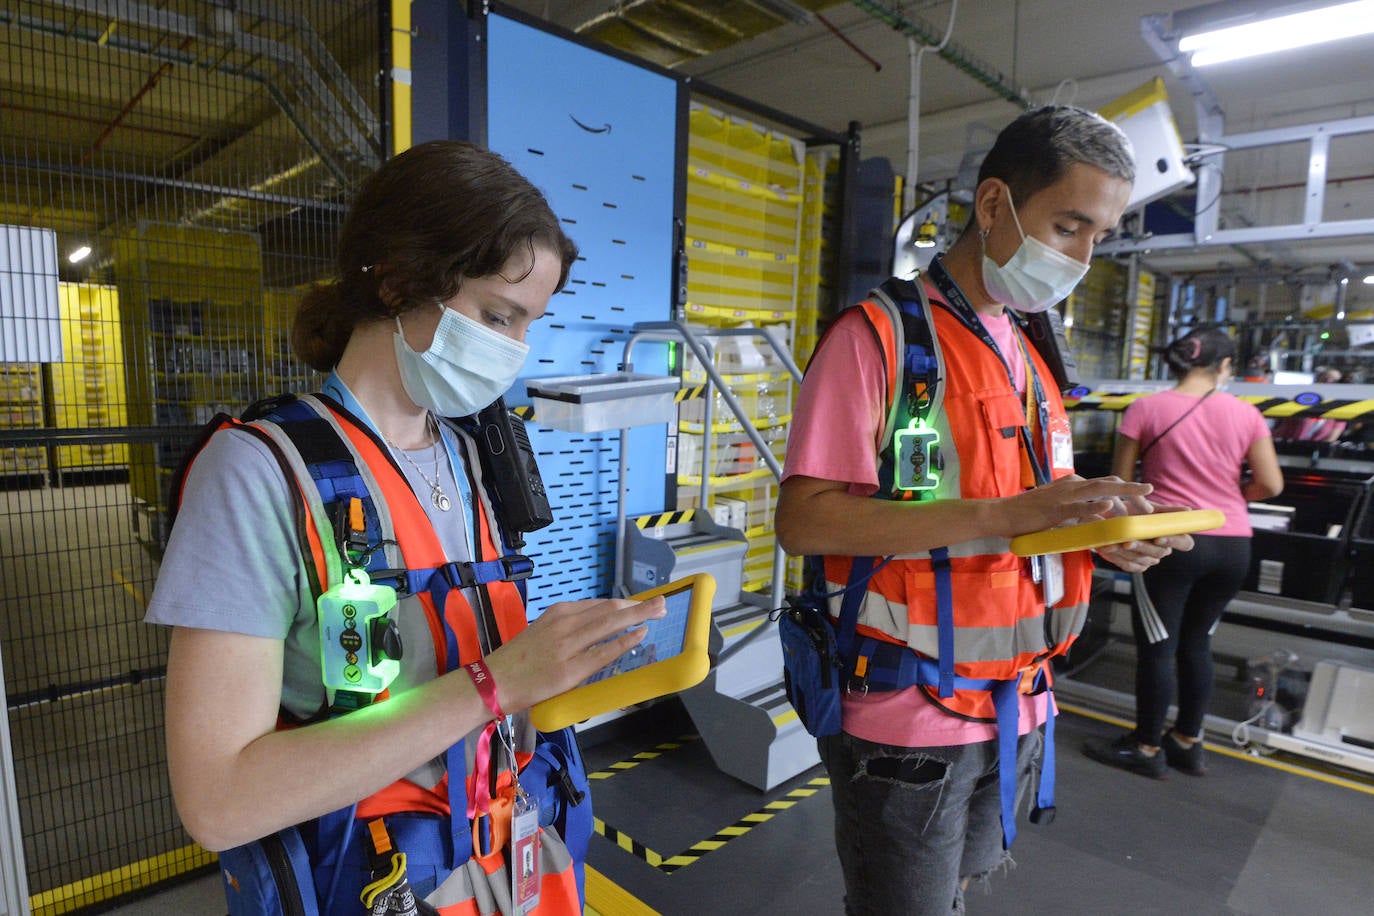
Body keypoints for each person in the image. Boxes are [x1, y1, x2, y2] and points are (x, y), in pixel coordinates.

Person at [144, 140, 665, 913]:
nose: (513, 352)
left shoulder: (474, 456)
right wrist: (498, 683)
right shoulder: (257, 474)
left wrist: (556, 668)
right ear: (395, 281)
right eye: (497, 316)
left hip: (511, 864)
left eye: (529, 327)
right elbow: (219, 802)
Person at [775, 105, 1193, 916]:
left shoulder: (1030, 354)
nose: (1081, 255)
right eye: (1068, 225)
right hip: (909, 716)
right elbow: (806, 521)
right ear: (995, 204)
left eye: (1099, 236)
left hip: (1022, 698)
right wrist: (1003, 514)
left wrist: (1108, 533)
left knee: (958, 893)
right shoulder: (879, 339)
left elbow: (1032, 509)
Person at [1084, 329, 1282, 778]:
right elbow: (1270, 485)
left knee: (1158, 645)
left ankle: (1147, 747)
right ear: (1225, 366)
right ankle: (1188, 741)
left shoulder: (1145, 408)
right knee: (1199, 642)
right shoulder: (1247, 413)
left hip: (1170, 539)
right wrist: (1233, 496)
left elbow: (1121, 484)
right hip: (1233, 543)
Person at [1272, 367, 1346, 441]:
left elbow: (1331, 438)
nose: (1329, 381)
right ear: (1318, 379)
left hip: (1313, 449)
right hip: (1285, 443)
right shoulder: (1302, 398)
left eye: (1334, 380)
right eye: (1326, 378)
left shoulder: (1340, 409)